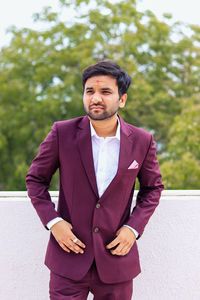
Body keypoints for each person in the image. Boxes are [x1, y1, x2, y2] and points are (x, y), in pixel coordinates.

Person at [26, 60, 164, 300]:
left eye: (105, 92)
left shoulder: (142, 141)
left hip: (117, 260)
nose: (95, 98)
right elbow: (35, 180)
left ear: (122, 99)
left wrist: (133, 229)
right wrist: (53, 222)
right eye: (89, 91)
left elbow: (152, 189)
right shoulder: (62, 133)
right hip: (68, 261)